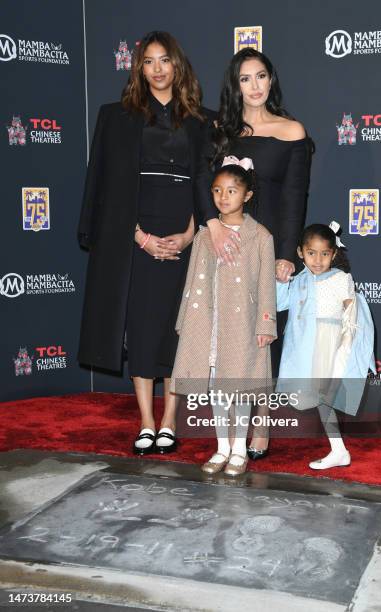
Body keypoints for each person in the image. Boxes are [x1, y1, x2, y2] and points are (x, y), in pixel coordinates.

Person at [78, 31, 215, 456]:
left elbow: (207, 184)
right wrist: (140, 238)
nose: (157, 69)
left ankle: (171, 422)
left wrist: (192, 233)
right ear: (139, 68)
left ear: (178, 65)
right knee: (140, 330)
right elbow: (106, 187)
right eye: (149, 62)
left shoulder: (201, 120)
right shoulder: (115, 117)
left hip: (184, 233)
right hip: (135, 236)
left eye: (164, 60)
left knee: (175, 332)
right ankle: (146, 422)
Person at [198, 47, 312, 459]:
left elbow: (295, 198)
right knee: (225, 340)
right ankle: (227, 431)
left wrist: (287, 254)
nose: (254, 86)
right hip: (223, 250)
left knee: (262, 341)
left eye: (260, 76)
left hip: (266, 252)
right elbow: (202, 186)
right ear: (236, 86)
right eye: (245, 79)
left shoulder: (291, 131)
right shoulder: (219, 131)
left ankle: (260, 427)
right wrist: (210, 224)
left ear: (271, 79)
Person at [171, 160, 277, 476]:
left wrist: (266, 324)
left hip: (242, 324)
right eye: (217, 190)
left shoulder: (260, 236)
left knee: (239, 386)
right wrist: (183, 320)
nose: (223, 197)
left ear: (247, 195)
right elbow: (192, 278)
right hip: (208, 321)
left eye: (232, 190)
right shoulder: (205, 234)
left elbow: (266, 285)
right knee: (216, 387)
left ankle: (240, 450)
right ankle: (221, 448)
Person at [276, 223, 376, 469]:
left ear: (334, 254)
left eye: (324, 254)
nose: (318, 260)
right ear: (300, 253)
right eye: (311, 253)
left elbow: (351, 316)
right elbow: (280, 305)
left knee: (324, 399)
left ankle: (339, 450)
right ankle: (339, 450)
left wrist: (343, 353)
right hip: (304, 347)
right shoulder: (299, 280)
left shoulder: (341, 279)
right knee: (321, 401)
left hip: (329, 347)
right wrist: (280, 282)